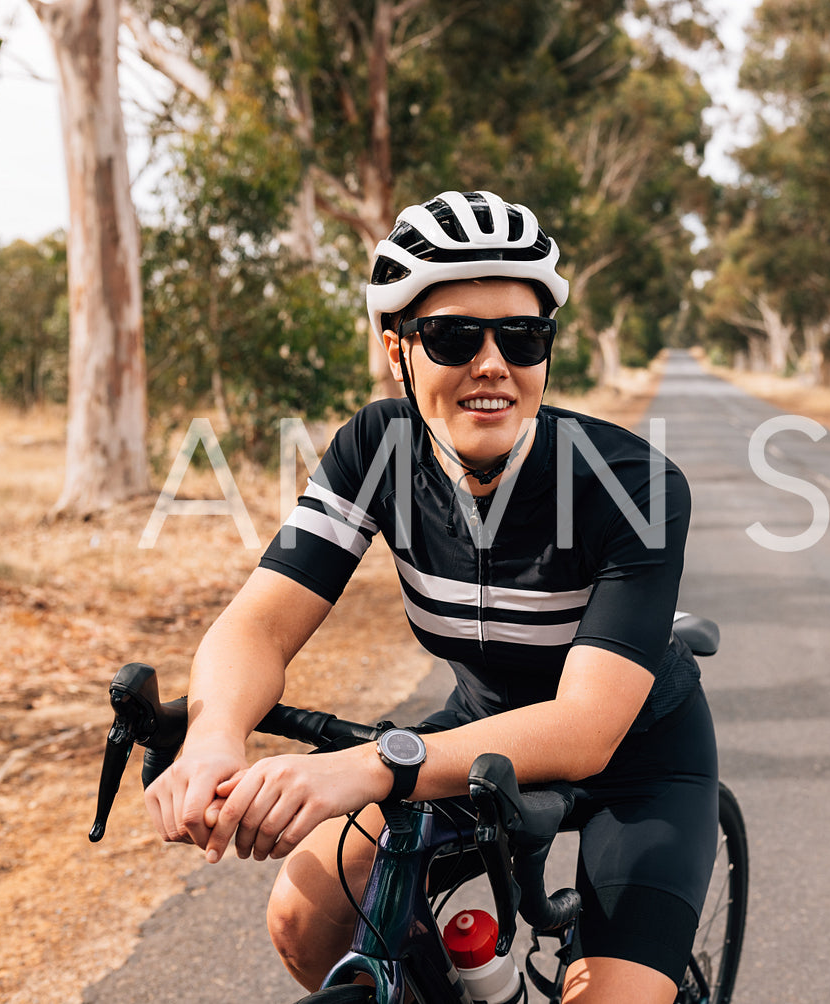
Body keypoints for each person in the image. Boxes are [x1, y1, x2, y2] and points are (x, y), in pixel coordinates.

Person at [145, 190, 716, 1004]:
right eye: (452, 336)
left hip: (639, 764)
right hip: (475, 734)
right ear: (397, 350)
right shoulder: (375, 448)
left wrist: (370, 767)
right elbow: (259, 626)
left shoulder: (633, 483)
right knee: (303, 918)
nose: (492, 363)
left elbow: (586, 730)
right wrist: (213, 736)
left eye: (521, 336)